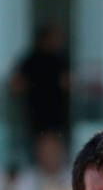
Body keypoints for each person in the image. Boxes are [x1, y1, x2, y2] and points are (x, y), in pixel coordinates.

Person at [9, 23, 72, 157]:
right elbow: (16, 84)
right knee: (46, 140)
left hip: (53, 111)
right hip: (40, 111)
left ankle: (51, 172)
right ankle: (48, 172)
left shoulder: (59, 59)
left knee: (52, 140)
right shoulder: (33, 60)